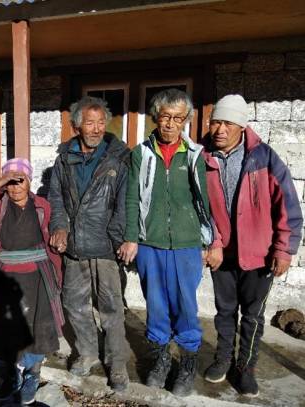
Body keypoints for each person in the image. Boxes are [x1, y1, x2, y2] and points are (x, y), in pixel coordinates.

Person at [202, 94, 303, 397]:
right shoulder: (202, 157)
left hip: (260, 255)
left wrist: (284, 249)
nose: (220, 128)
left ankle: (245, 366)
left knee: (253, 315)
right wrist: (213, 242)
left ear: (242, 126)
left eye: (228, 123)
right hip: (222, 254)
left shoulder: (264, 157)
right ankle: (223, 359)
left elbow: (287, 205)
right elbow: (198, 207)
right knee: (224, 311)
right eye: (216, 121)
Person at [120, 88, 213, 397]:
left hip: (187, 244)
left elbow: (205, 200)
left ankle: (187, 363)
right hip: (151, 244)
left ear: (185, 120)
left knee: (186, 304)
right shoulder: (141, 153)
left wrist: (209, 241)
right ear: (155, 118)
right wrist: (132, 237)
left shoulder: (195, 154)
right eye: (165, 117)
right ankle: (160, 360)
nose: (171, 124)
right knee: (156, 305)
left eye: (178, 118)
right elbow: (132, 197)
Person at [48, 96, 131, 394]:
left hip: (106, 247)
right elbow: (56, 198)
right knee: (74, 304)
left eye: (100, 123)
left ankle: (117, 362)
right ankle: (87, 353)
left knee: (110, 308)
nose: (96, 129)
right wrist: (59, 227)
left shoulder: (118, 159)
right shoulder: (64, 159)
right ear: (76, 126)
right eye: (89, 123)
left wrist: (119, 239)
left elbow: (124, 204)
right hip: (74, 248)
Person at [0, 158, 64, 405]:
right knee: (8, 328)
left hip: (37, 276)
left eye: (20, 182)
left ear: (29, 181)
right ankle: (13, 373)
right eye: (10, 184)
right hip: (6, 276)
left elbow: (54, 231)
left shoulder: (42, 206)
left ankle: (33, 373)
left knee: (36, 327)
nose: (15, 188)